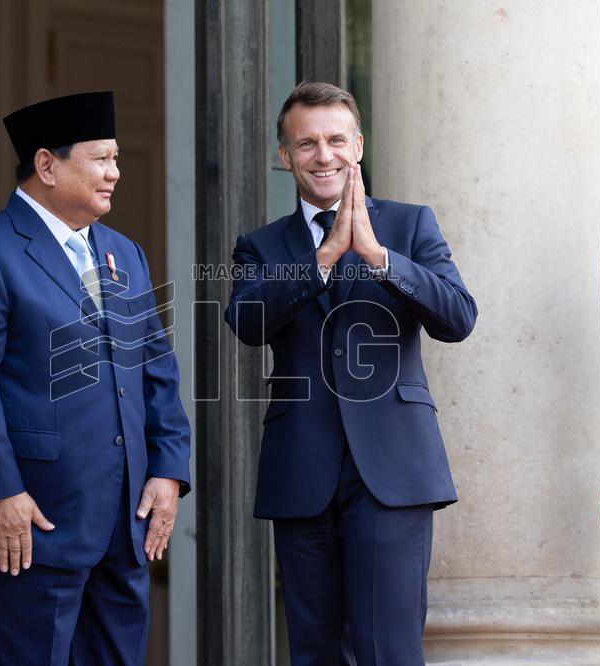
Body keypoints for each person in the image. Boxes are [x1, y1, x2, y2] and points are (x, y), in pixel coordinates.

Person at [0, 91, 191, 665]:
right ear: (46, 165)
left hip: (126, 520)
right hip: (31, 518)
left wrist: (168, 470)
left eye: (117, 158)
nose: (116, 173)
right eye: (101, 159)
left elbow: (157, 369)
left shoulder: (126, 253)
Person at [224, 81, 477, 665]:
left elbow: (458, 317)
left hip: (392, 471)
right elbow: (246, 320)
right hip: (302, 469)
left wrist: (380, 257)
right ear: (284, 156)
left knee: (386, 648)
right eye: (306, 143)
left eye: (336, 139)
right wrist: (322, 260)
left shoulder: (410, 225)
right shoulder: (259, 246)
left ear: (358, 146)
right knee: (314, 651)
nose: (324, 155)